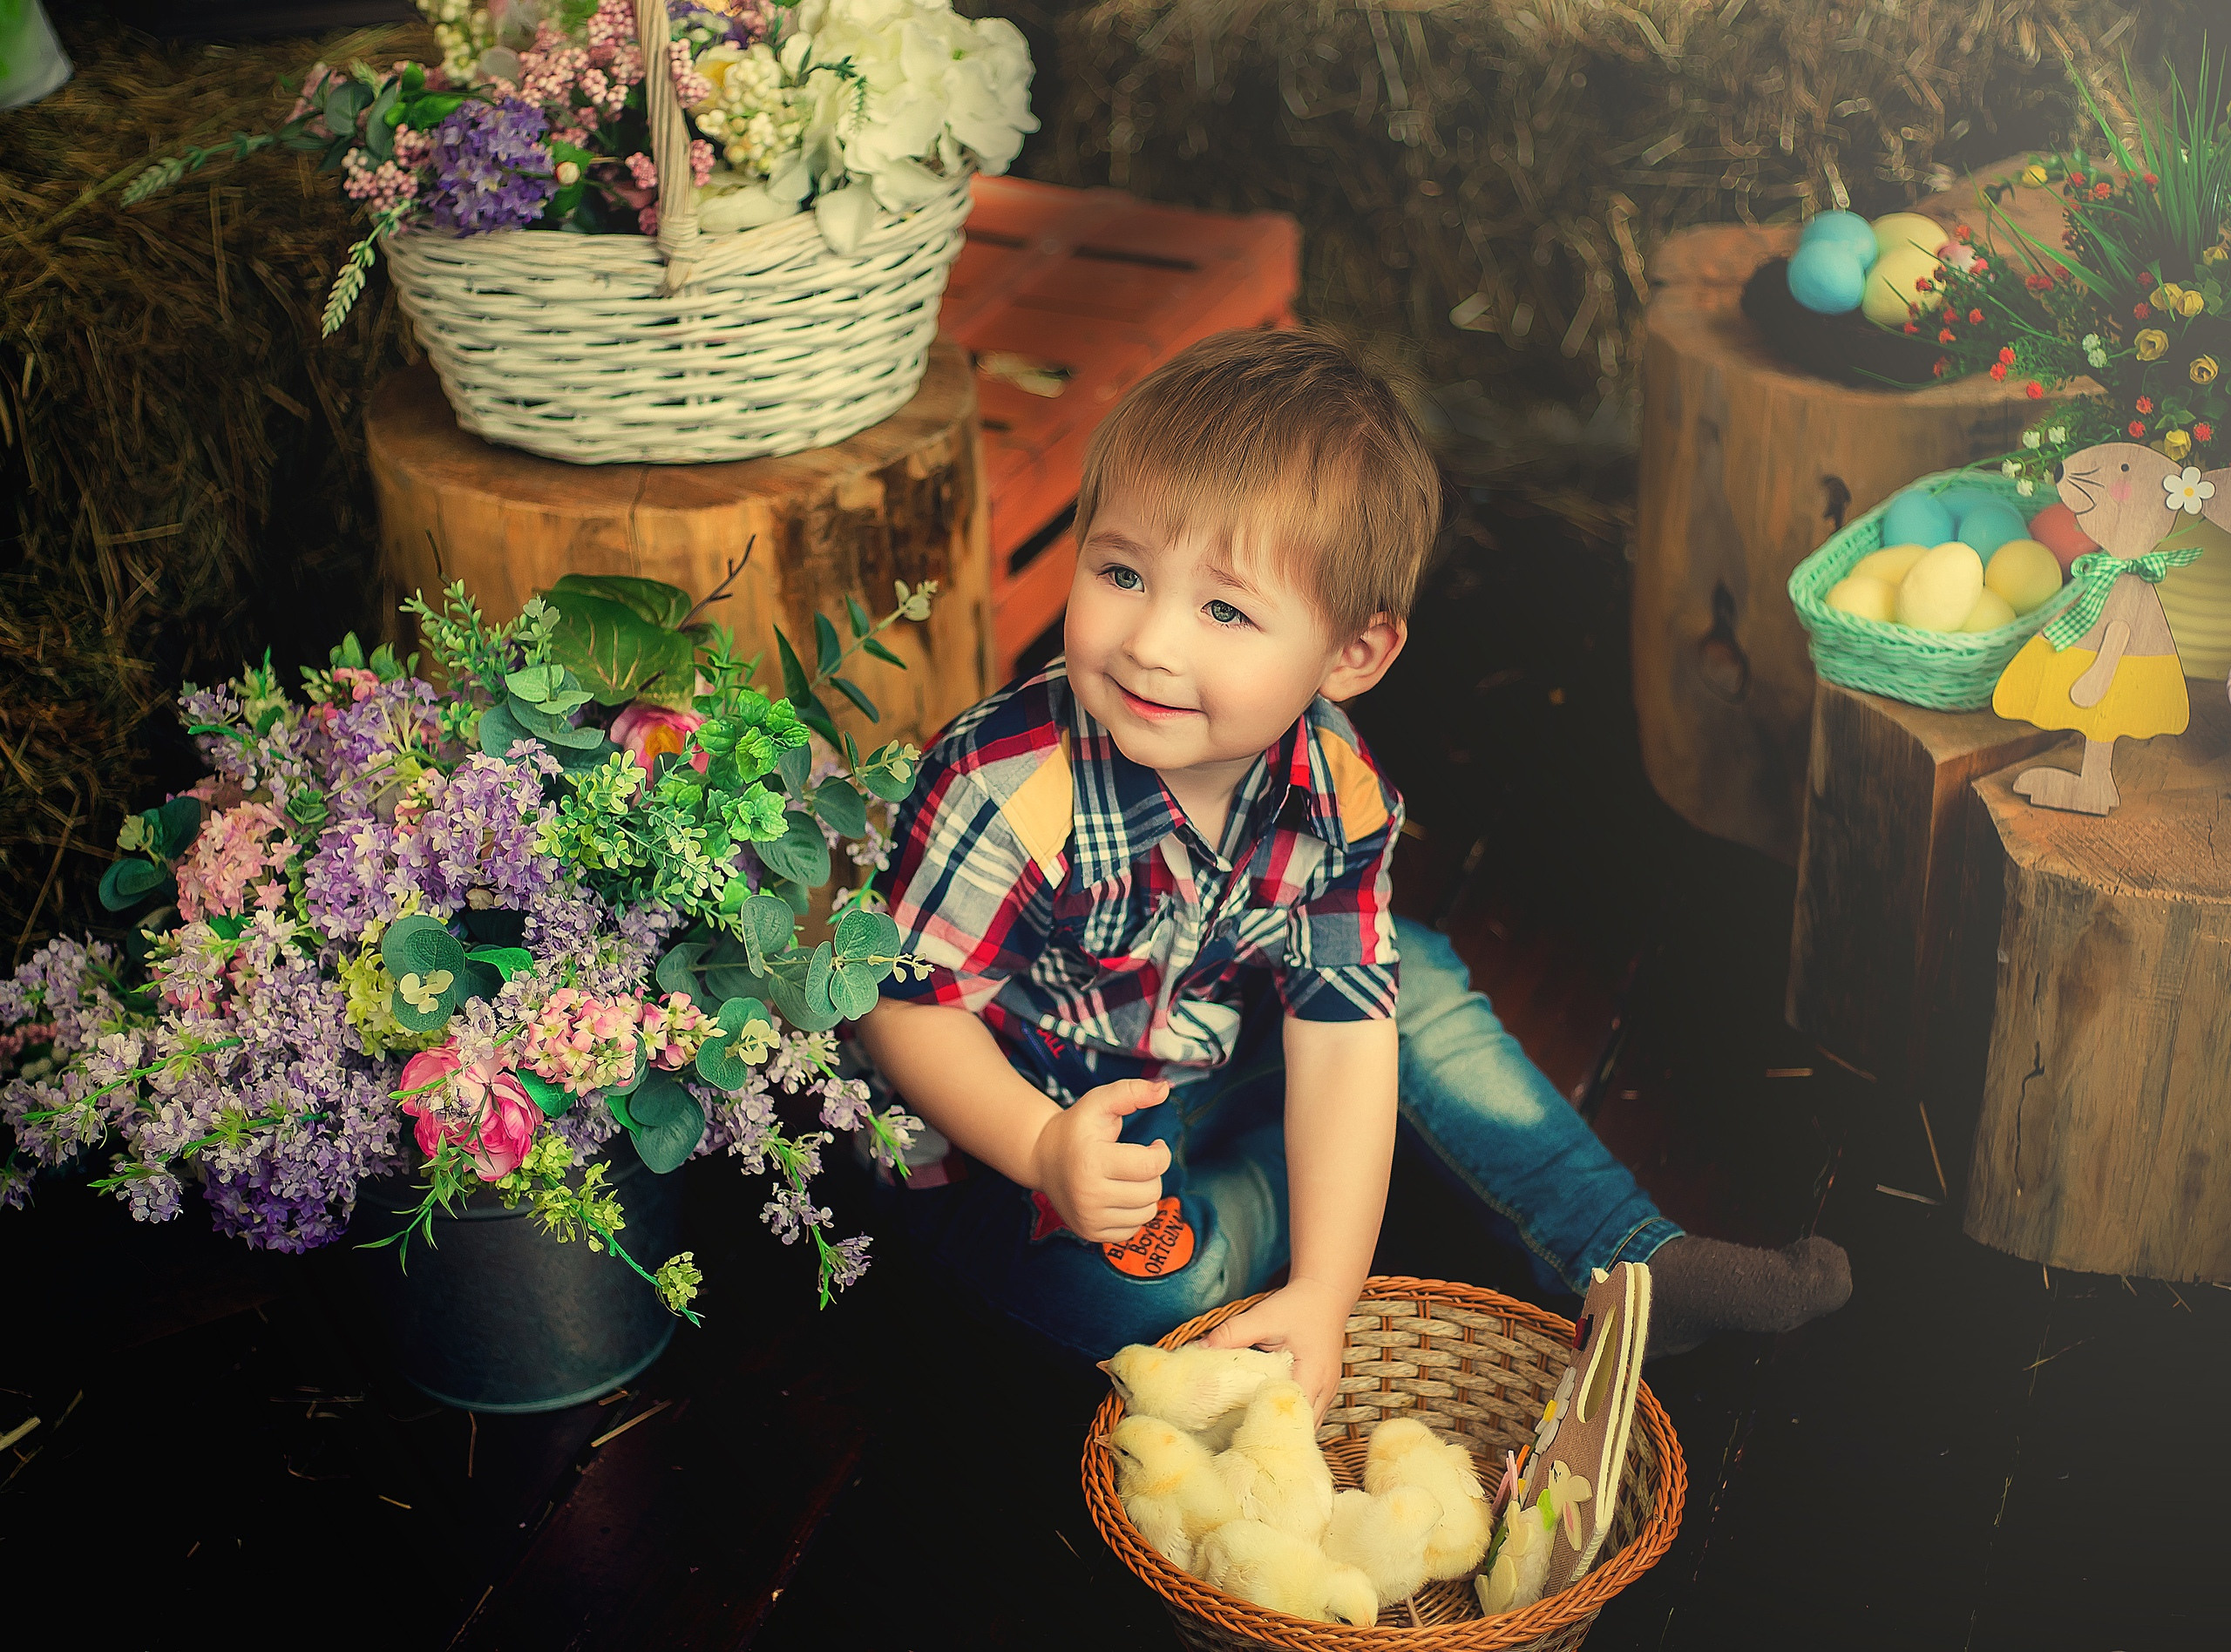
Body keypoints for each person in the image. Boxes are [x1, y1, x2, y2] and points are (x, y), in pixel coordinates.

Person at [853, 330, 1848, 1418]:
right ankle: (1338, 1187)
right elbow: (903, 1014)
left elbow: (1340, 1031)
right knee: (1147, 1294)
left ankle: (1629, 1260)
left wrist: (1329, 1296)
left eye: (1225, 609)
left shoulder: (1336, 785)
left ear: (1350, 656)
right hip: (1024, 1130)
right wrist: (1043, 1147)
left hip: (1214, 1051)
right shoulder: (1006, 784)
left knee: (1405, 984)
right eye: (1122, 572)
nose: (1150, 643)